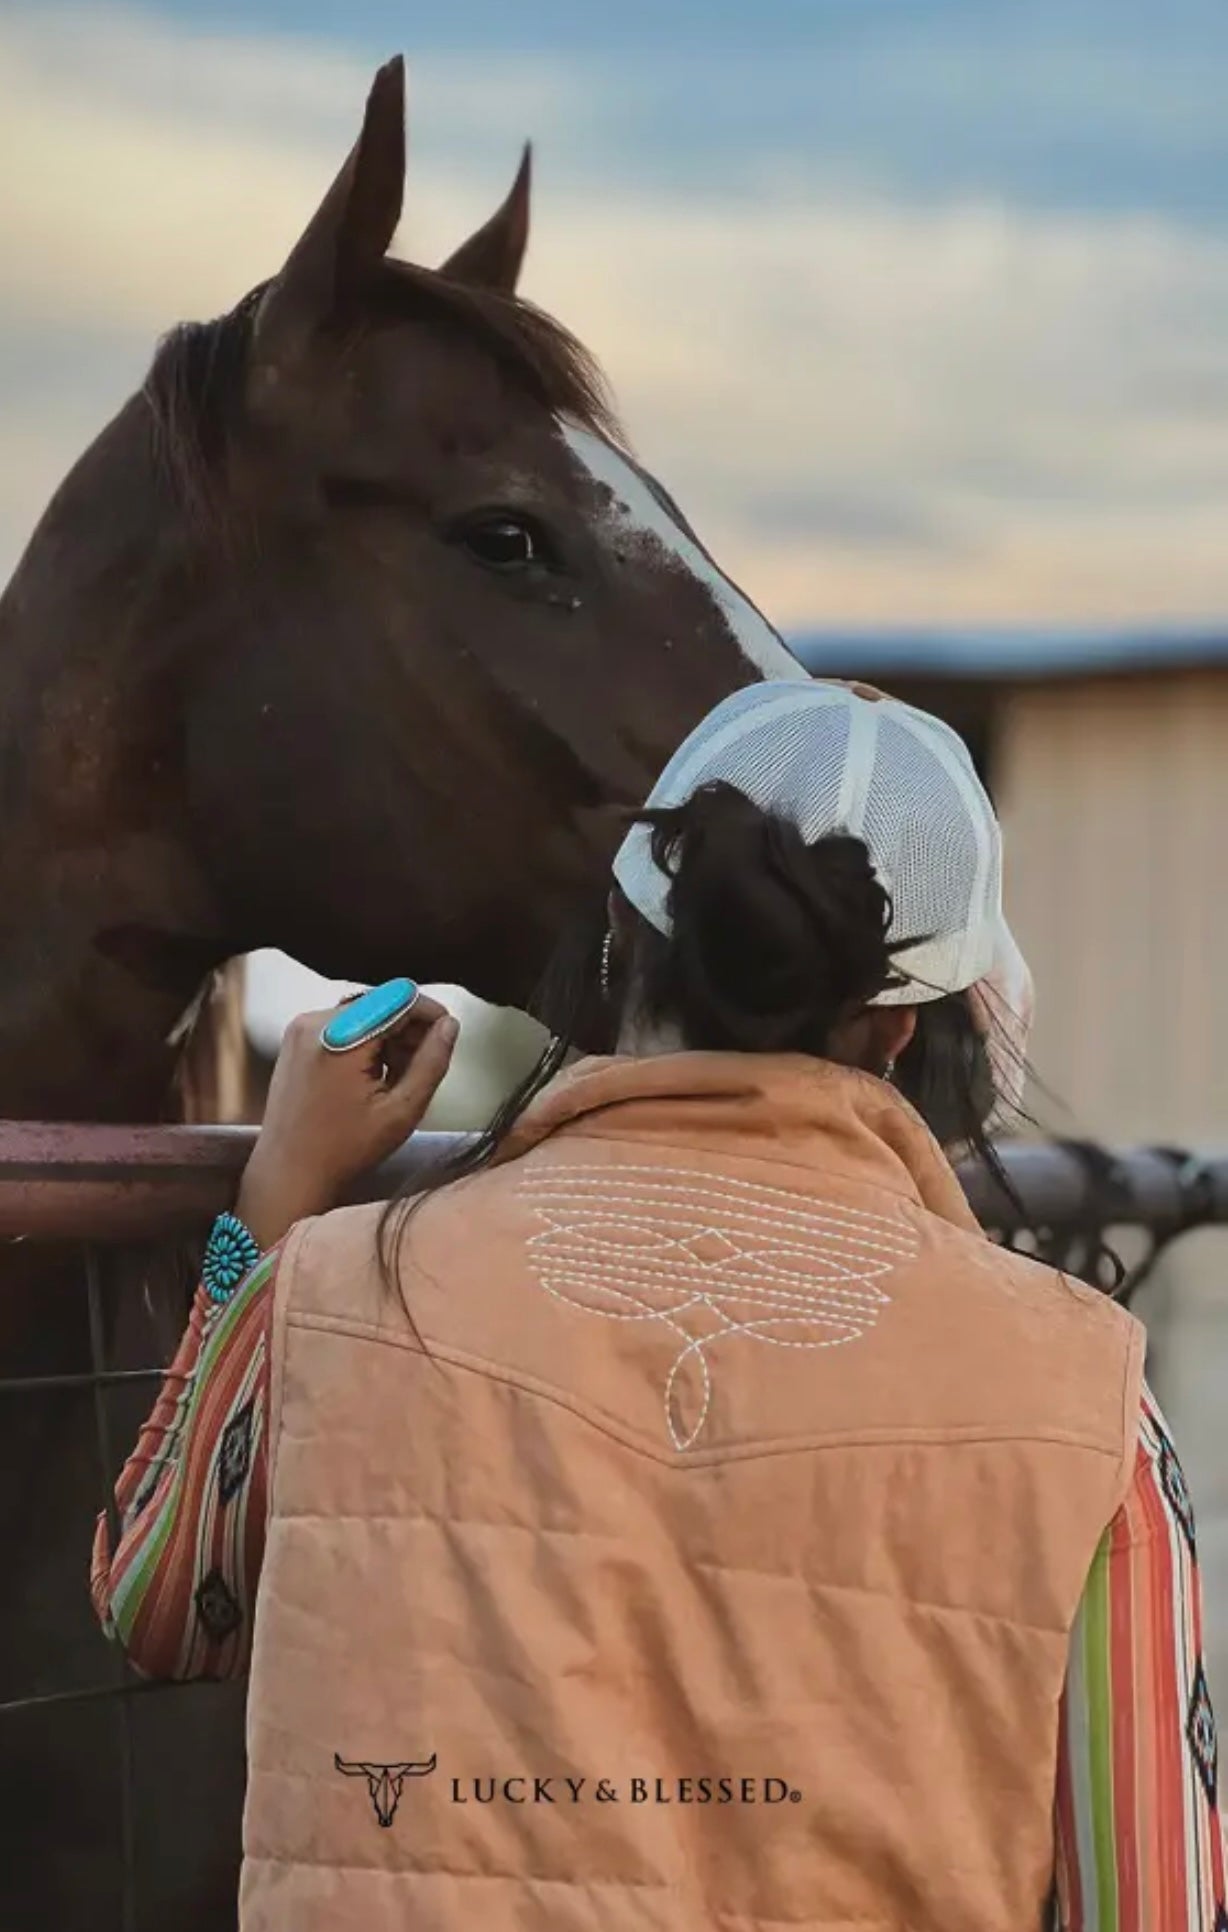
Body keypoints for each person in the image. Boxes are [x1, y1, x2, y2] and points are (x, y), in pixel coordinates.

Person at [94, 680, 1225, 1931]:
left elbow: (166, 1608)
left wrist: (269, 1213)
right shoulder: (1085, 1401)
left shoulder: (341, 1283)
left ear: (620, 943)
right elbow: (1154, 1900)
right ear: (901, 1033)